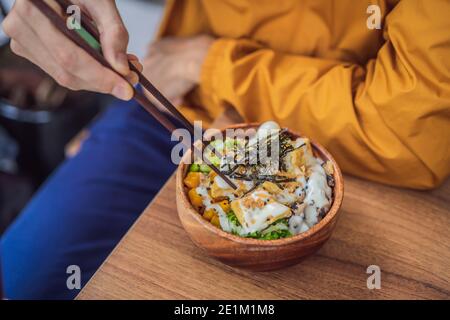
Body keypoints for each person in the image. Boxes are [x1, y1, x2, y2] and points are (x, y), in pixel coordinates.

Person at [1, 0, 449, 299]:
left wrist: (210, 62)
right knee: (22, 278)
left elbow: (414, 129)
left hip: (347, 140)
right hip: (172, 94)